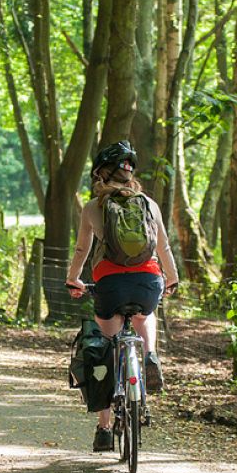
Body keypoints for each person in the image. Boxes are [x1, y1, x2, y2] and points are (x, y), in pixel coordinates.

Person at [65, 140, 179, 452]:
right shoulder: (148, 203)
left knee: (106, 348)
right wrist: (172, 277)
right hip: (148, 281)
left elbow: (82, 249)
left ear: (101, 174)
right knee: (145, 314)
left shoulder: (93, 207)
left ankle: (104, 428)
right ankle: (150, 353)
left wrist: (73, 279)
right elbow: (163, 246)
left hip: (110, 284)